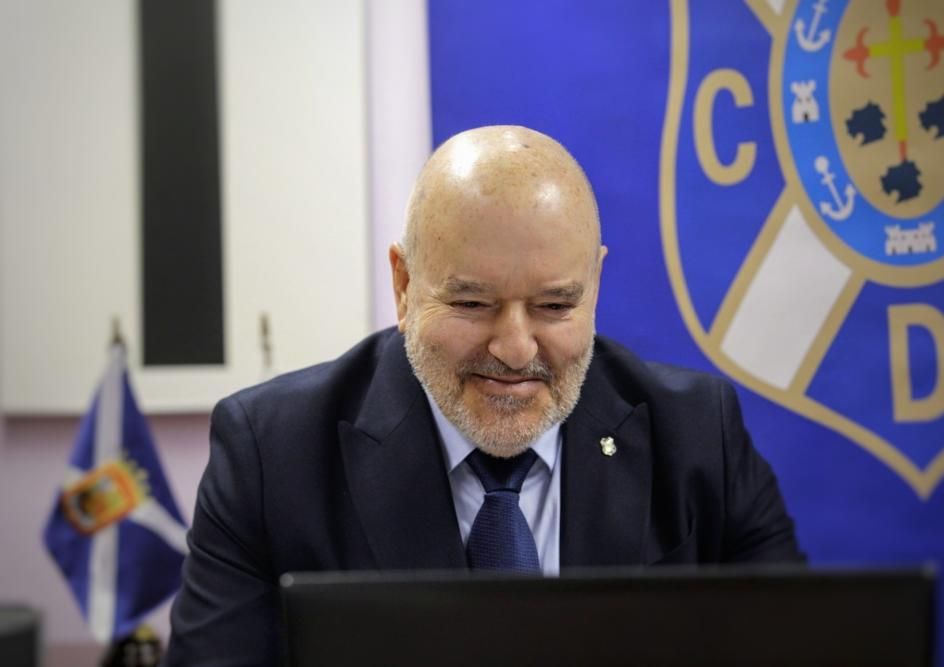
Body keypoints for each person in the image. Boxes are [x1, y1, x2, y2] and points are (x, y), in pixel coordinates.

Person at [165, 125, 803, 664]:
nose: (517, 348)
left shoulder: (697, 433)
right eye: (472, 303)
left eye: (555, 305)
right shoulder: (272, 455)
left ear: (596, 286)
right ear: (405, 284)